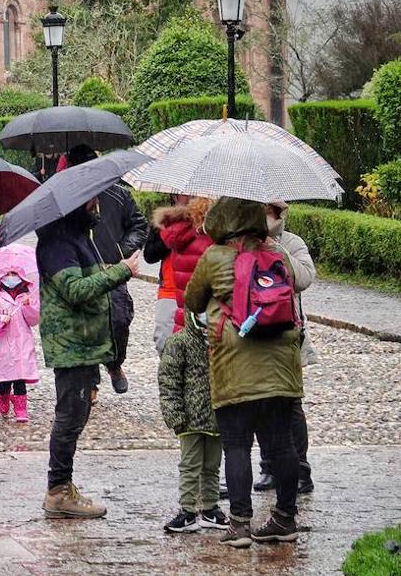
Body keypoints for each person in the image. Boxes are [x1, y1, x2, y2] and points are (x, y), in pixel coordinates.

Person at [184, 196, 304, 548]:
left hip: (235, 364)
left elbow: (192, 300)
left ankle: (239, 525)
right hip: (282, 364)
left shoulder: (214, 257)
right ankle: (285, 517)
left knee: (237, 445)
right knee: (282, 443)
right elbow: (295, 285)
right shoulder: (277, 254)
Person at [36, 195, 141, 519]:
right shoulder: (57, 242)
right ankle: (58, 491)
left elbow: (83, 279)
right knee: (69, 417)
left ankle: (63, 486)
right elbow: (75, 290)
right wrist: (120, 272)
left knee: (77, 414)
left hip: (85, 344)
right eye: (92, 200)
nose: (97, 205)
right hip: (71, 345)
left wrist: (105, 269)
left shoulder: (79, 236)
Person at [63, 145, 147, 394]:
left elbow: (138, 226)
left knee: (119, 320)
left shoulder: (119, 194)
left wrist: (120, 253)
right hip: (82, 274)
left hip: (113, 270)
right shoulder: (68, 198)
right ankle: (91, 384)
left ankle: (114, 363)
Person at [254, 200, 316, 495]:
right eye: (264, 209)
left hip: (289, 332)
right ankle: (269, 465)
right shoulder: (245, 240)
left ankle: (301, 469)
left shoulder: (292, 242)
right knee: (260, 402)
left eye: (273, 210)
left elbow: (303, 279)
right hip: (255, 331)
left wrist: (276, 250)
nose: (269, 216)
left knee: (290, 404)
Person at [158, 308, 229, 533]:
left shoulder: (224, 340)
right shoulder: (179, 342)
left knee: (212, 466)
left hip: (217, 417)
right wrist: (175, 415)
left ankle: (210, 508)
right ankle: (187, 510)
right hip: (189, 419)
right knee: (190, 466)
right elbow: (168, 381)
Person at [0, 243, 39, 423]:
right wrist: (0, 319)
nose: (11, 278)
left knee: (20, 378)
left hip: (22, 343)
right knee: (4, 379)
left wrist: (30, 306)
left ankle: (21, 408)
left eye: (15, 274)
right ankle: (4, 397)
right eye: (8, 274)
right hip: (3, 345)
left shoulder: (26, 297)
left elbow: (34, 319)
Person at [149, 197, 213, 353]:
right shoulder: (169, 223)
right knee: (166, 343)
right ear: (175, 196)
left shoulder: (214, 225)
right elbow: (149, 255)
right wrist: (173, 235)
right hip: (171, 290)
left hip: (203, 297)